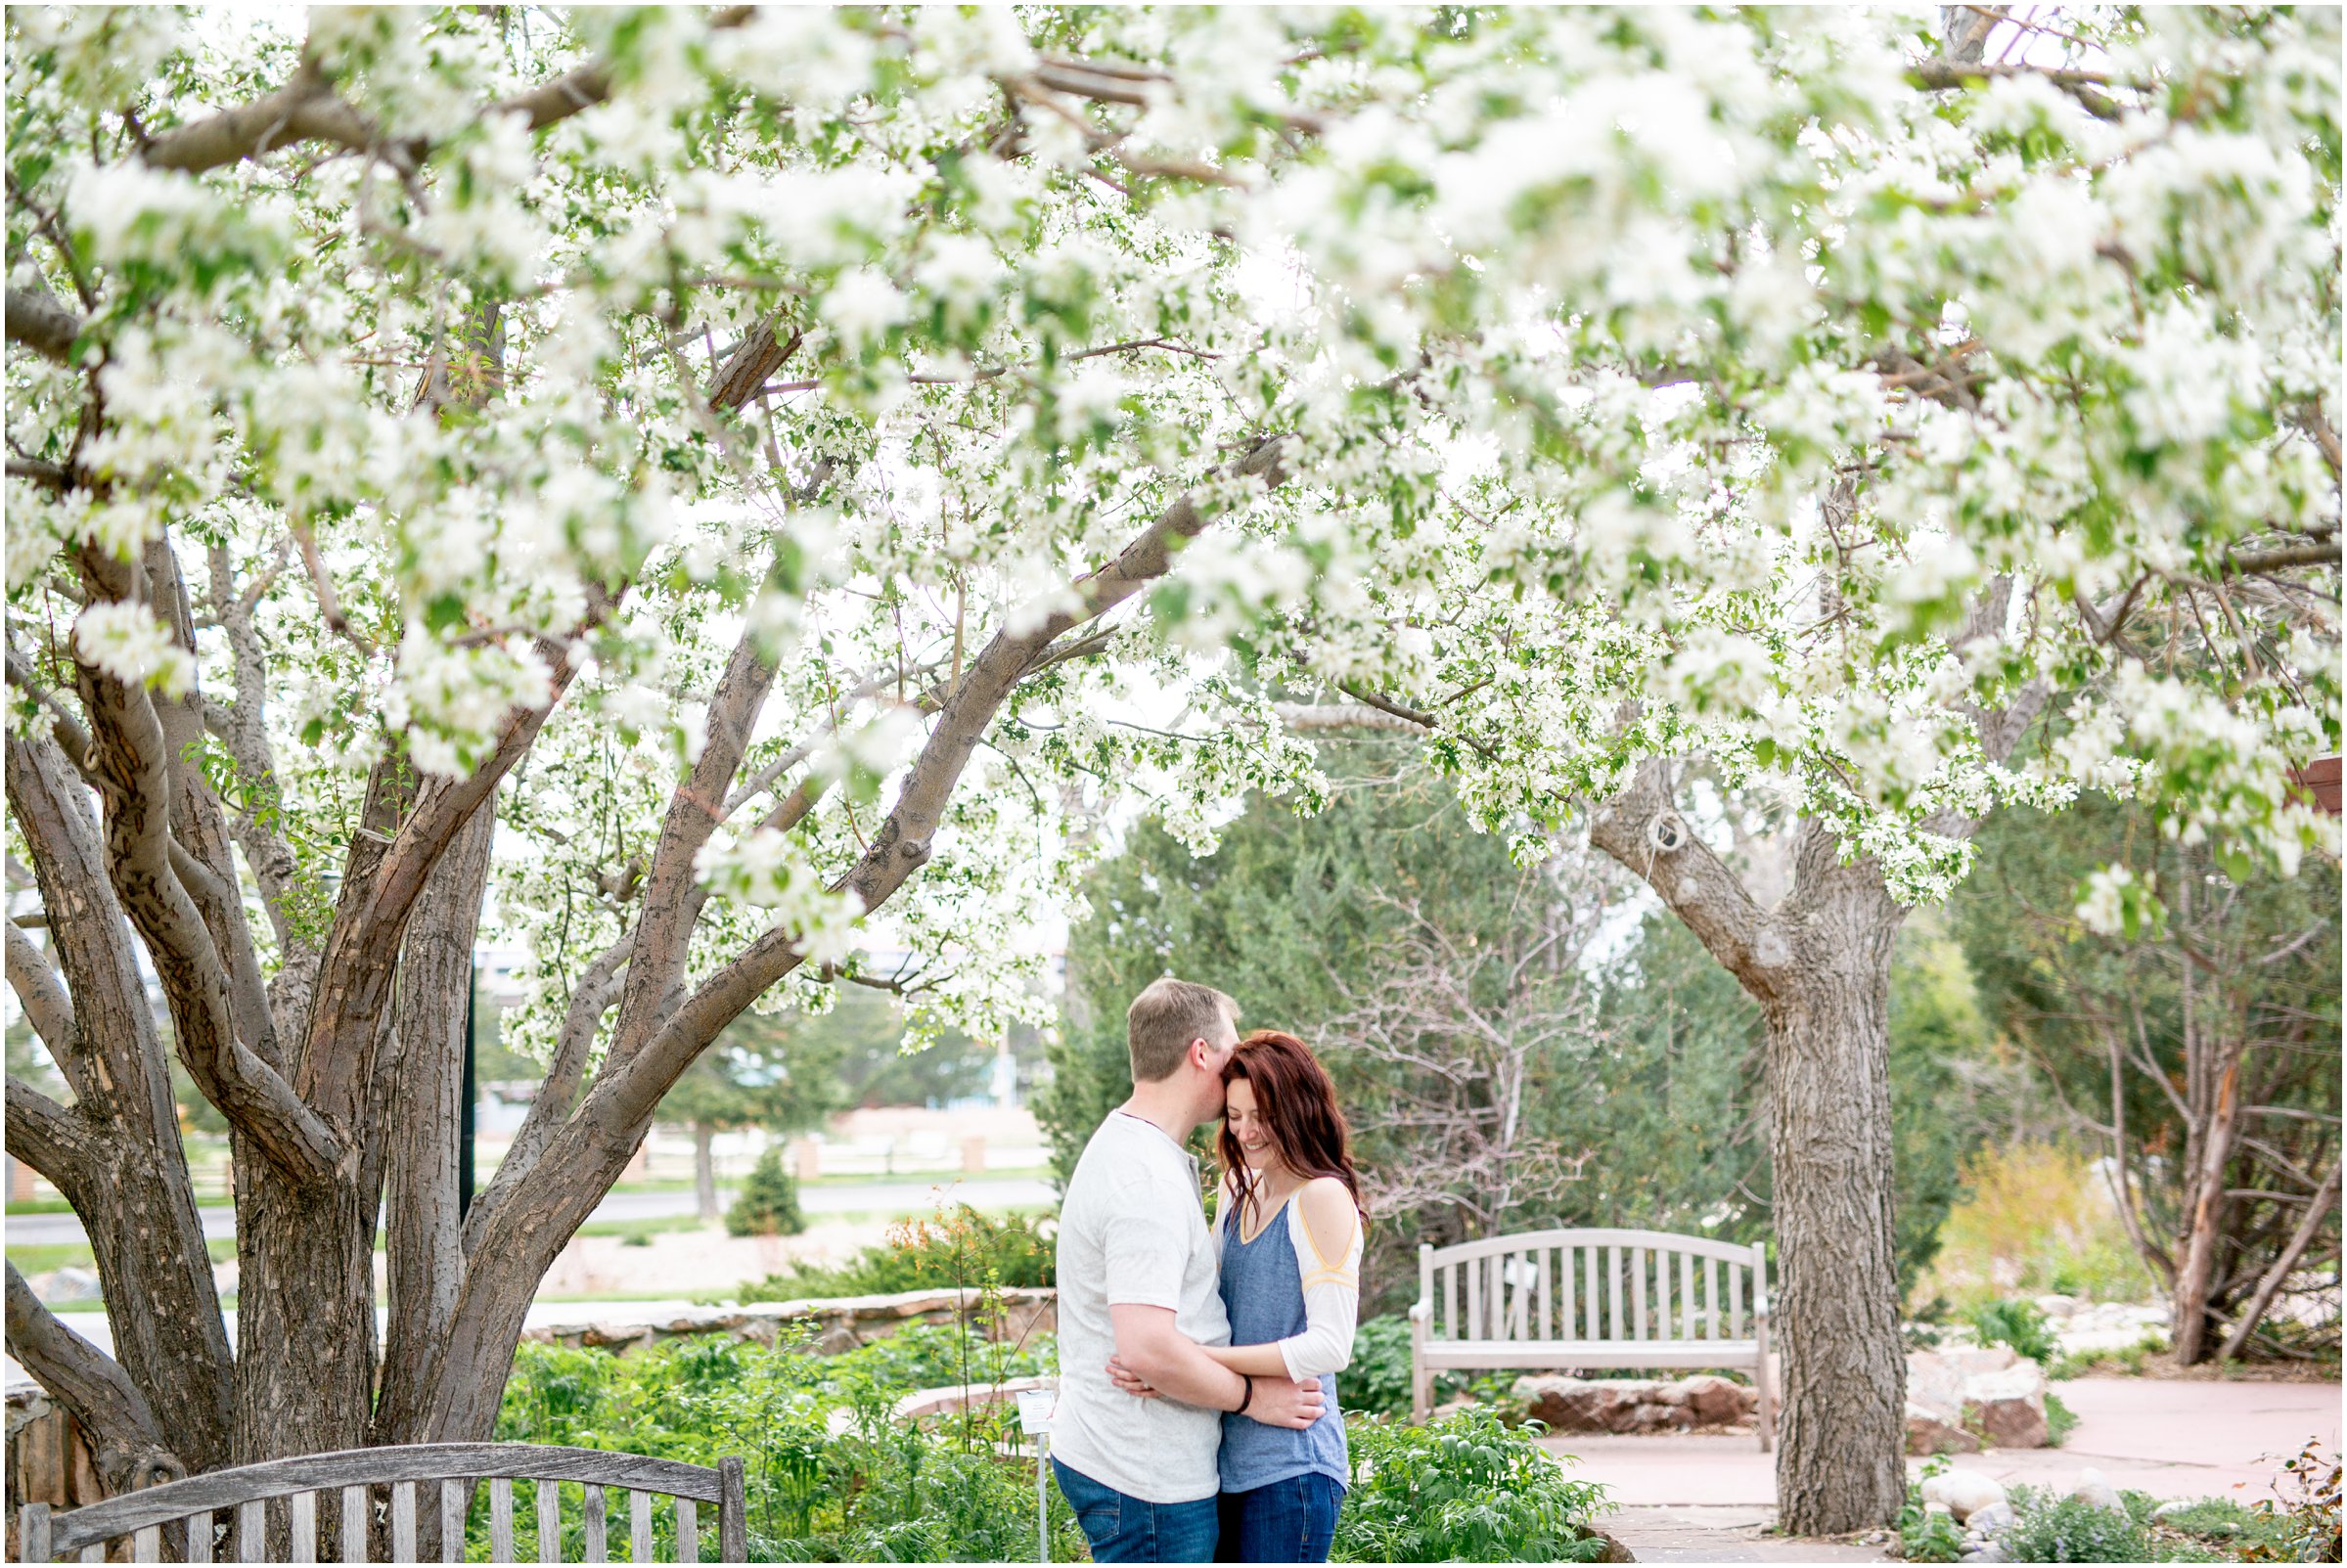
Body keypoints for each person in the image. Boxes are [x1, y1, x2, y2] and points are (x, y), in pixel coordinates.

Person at [1052, 980, 1328, 1563]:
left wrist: (1187, 1366)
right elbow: (1148, 1349)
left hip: (1145, 1462)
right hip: (1144, 1475)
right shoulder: (1143, 1178)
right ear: (1201, 1053)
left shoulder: (1136, 1152)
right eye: (1230, 1050)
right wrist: (1254, 1398)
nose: (1238, 1065)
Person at [1112, 1030, 1367, 1563]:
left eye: (1263, 1115)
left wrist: (1193, 1361)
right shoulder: (1236, 1188)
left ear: (1298, 1109)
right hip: (1227, 1462)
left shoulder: (1320, 1197)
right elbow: (1205, 1306)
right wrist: (1164, 1364)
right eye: (1234, 1115)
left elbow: (1330, 1346)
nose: (1247, 1131)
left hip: (1293, 1469)